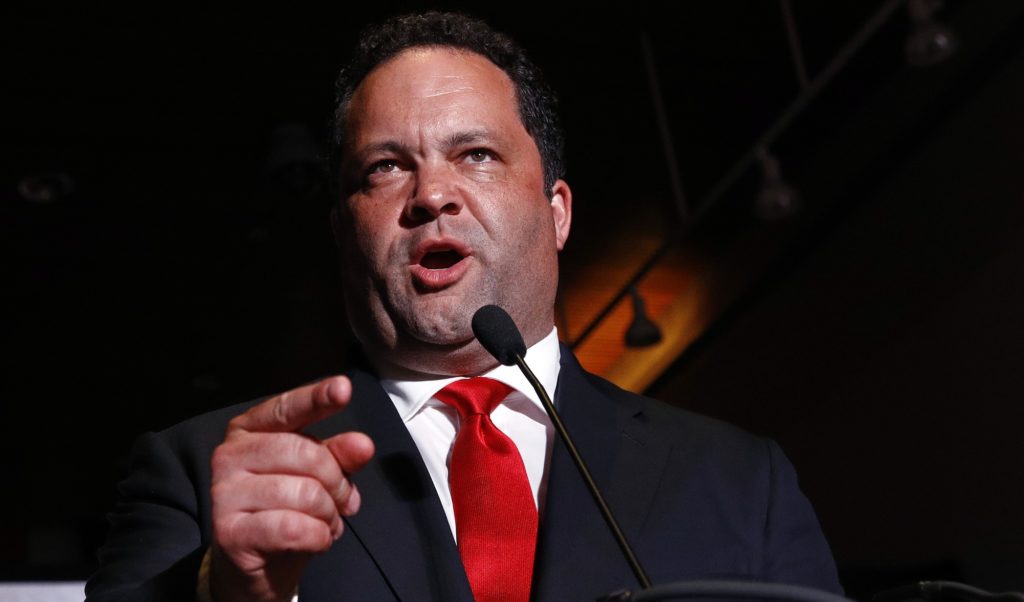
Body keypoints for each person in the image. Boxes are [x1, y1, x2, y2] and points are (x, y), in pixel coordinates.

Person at [86, 11, 842, 602]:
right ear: (343, 232)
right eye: (386, 167)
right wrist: (227, 592)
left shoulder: (741, 481)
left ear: (558, 212)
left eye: (475, 154)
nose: (432, 195)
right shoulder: (204, 471)